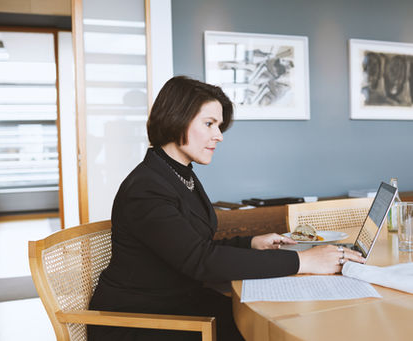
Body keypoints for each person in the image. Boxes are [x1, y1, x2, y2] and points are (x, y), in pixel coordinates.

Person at [88, 76, 365, 341]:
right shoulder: (146, 188)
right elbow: (200, 260)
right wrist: (305, 261)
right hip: (143, 323)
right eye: (209, 124)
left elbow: (191, 244)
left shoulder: (178, 173)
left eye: (218, 126)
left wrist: (251, 242)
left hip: (180, 304)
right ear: (175, 118)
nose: (218, 136)